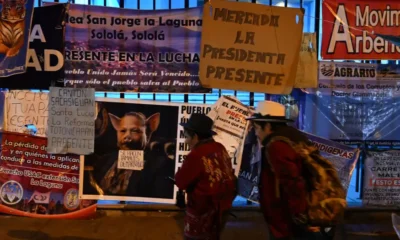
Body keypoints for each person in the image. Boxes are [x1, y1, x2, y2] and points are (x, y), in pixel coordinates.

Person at [246, 101, 330, 240]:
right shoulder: (294, 137)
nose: (256, 133)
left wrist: (301, 216)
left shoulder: (277, 146)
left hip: (287, 221)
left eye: (256, 128)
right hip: (295, 216)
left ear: (267, 126)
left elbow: (292, 183)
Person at [175, 113, 236, 240]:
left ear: (195, 136)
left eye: (186, 137)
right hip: (221, 210)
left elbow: (181, 181)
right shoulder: (220, 148)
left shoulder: (196, 154)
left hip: (203, 211)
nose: (186, 141)